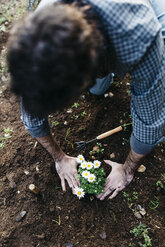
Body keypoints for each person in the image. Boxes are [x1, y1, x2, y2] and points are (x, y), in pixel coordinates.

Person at [7, 0, 165, 200]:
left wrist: (127, 170)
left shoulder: (139, 38)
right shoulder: (39, 37)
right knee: (99, 90)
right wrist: (60, 158)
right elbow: (32, 107)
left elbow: (150, 122)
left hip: (152, 14)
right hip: (100, 45)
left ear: (83, 80)